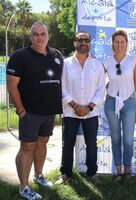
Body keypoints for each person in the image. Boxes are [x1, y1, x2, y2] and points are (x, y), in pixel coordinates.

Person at [6, 21, 63, 200]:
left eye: (42, 34)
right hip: (29, 112)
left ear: (48, 35)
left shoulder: (57, 55)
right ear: (31, 36)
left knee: (42, 143)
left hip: (49, 112)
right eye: (35, 34)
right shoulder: (19, 56)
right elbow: (11, 85)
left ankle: (39, 176)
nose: (39, 38)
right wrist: (21, 110)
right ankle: (24, 187)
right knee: (27, 147)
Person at [55, 31, 106, 184]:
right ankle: (66, 174)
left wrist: (89, 107)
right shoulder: (66, 63)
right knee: (68, 143)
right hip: (71, 112)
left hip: (91, 113)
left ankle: (92, 173)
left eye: (86, 40)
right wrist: (75, 106)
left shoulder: (97, 64)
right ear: (74, 43)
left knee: (91, 143)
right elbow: (61, 87)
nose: (83, 42)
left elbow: (101, 89)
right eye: (80, 40)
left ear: (90, 43)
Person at [103, 30, 136, 182]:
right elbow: (98, 81)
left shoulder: (133, 61)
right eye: (117, 42)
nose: (119, 45)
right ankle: (119, 172)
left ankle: (128, 171)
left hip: (130, 102)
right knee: (115, 138)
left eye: (122, 42)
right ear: (112, 44)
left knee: (128, 140)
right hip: (111, 102)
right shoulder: (106, 61)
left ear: (126, 44)